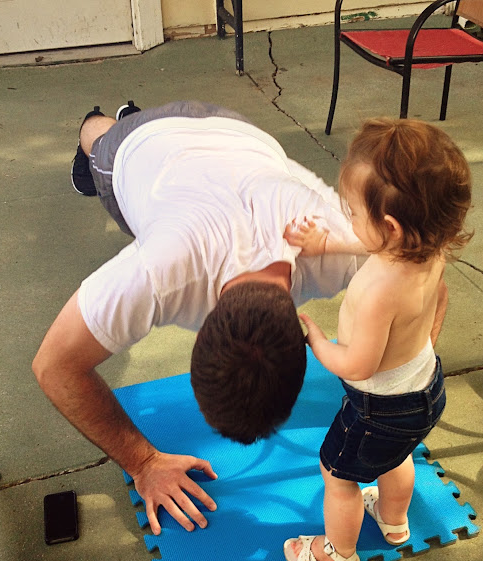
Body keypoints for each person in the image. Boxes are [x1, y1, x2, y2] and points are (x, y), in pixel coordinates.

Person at [32, 99, 382, 536]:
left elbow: (428, 271)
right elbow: (53, 367)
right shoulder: (161, 273)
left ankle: (125, 118)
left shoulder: (341, 246)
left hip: (236, 131)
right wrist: (143, 462)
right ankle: (102, 121)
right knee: (98, 141)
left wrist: (398, 393)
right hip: (141, 146)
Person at [282, 117, 472, 561]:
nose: (349, 220)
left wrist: (316, 341)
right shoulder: (428, 250)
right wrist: (326, 243)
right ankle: (393, 520)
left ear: (389, 226)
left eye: (352, 213)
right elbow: (434, 291)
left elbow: (358, 366)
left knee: (337, 475)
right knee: (397, 455)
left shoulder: (377, 293)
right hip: (426, 389)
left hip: (377, 409)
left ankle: (337, 554)